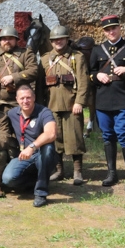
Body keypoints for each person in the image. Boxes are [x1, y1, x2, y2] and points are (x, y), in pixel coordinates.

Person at [89, 15, 125, 190]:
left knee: (124, 136)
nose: (111, 32)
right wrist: (97, 75)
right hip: (103, 99)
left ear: (120, 29)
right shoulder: (98, 50)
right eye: (107, 30)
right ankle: (111, 173)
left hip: (124, 98)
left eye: (113, 28)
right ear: (104, 32)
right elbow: (90, 72)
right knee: (107, 136)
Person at [40, 25, 89, 186]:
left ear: (67, 39)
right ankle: (59, 170)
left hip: (71, 104)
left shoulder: (77, 57)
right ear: (51, 42)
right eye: (55, 40)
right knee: (56, 139)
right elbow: (40, 86)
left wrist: (79, 102)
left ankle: (77, 171)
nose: (58, 42)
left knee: (74, 138)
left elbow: (83, 82)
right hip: (51, 104)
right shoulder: (45, 59)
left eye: (61, 39)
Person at [2, 85, 59, 207]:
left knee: (48, 149)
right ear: (17, 99)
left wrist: (32, 147)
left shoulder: (44, 112)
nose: (25, 101)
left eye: (28, 97)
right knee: (7, 179)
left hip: (40, 154)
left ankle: (40, 193)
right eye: (22, 98)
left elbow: (51, 133)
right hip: (23, 156)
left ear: (34, 98)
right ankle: (36, 181)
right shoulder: (12, 114)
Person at [0, 26, 38, 112]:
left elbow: (33, 71)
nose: (7, 42)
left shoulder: (26, 54)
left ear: (16, 40)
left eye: (10, 39)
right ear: (0, 41)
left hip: (18, 104)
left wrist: (13, 77)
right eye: (4, 39)